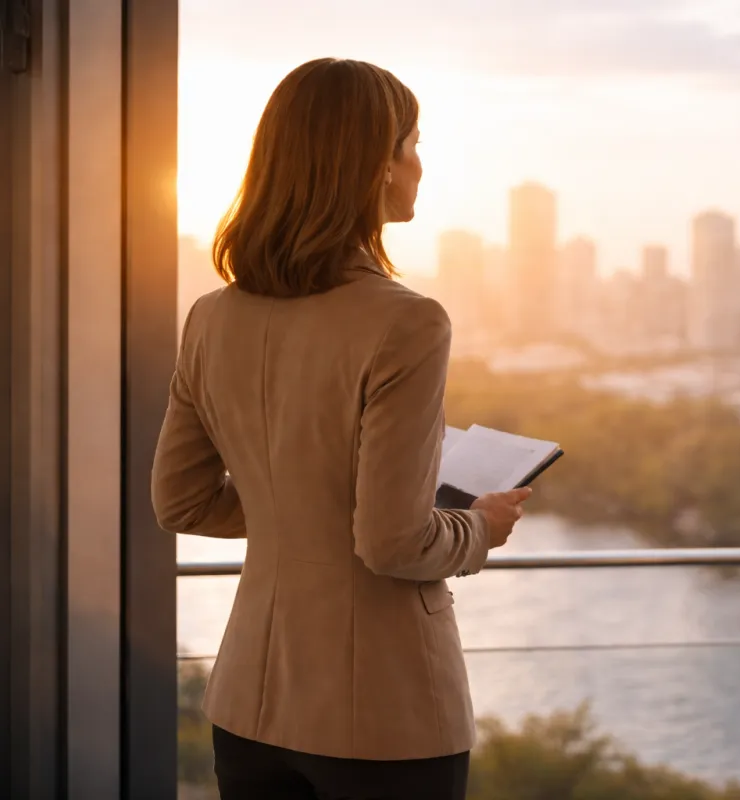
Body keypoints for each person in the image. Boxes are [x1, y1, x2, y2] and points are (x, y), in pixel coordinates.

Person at [151, 58, 530, 800]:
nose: (419, 164)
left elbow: (183, 502)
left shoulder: (211, 316)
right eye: (411, 143)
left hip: (249, 705)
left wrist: (303, 510)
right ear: (373, 166)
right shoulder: (407, 322)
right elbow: (392, 543)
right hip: (384, 717)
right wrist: (478, 526)